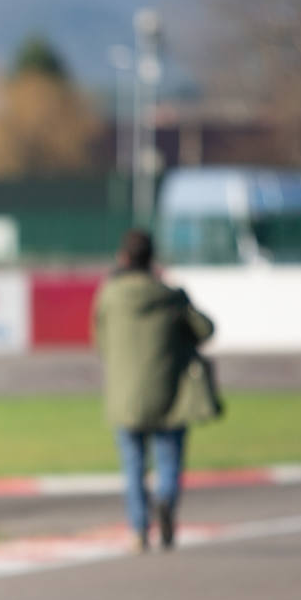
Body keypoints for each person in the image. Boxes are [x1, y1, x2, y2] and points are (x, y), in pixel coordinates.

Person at [91, 228, 215, 551]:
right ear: (152, 260)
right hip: (169, 394)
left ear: (123, 258)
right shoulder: (170, 297)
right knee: (169, 459)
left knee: (133, 466)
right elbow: (205, 330)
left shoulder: (109, 295)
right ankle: (166, 501)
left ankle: (138, 529)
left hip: (125, 396)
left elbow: (100, 342)